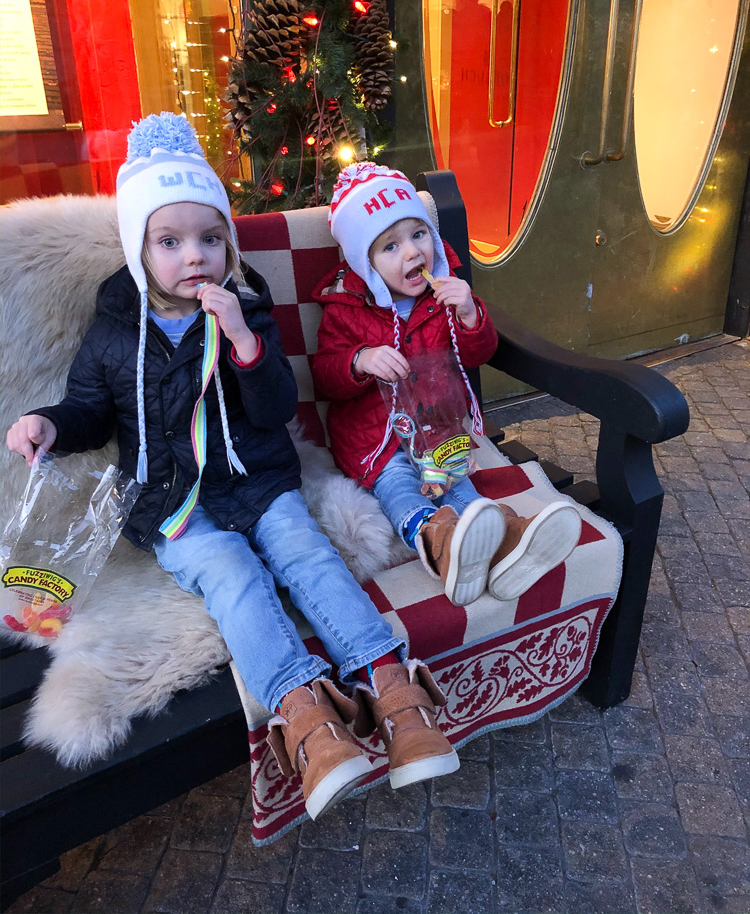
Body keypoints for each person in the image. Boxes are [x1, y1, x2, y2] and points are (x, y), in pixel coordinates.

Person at [5, 115, 460, 820]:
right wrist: (49, 425)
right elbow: (91, 412)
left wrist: (246, 342)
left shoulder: (247, 310)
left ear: (228, 245)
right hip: (172, 504)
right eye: (170, 241)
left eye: (210, 239)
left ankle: (394, 688)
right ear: (139, 251)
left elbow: (277, 402)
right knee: (233, 577)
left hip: (259, 479)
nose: (195, 257)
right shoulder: (115, 332)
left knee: (307, 555)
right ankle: (304, 717)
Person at [312, 162, 582, 606]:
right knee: (400, 484)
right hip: (376, 440)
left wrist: (469, 314)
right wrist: (360, 360)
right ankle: (440, 543)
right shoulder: (346, 309)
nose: (412, 253)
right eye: (390, 246)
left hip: (438, 433)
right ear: (365, 261)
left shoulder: (445, 297)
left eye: (418, 235)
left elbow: (477, 353)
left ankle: (506, 539)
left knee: (460, 488)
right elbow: (325, 377)